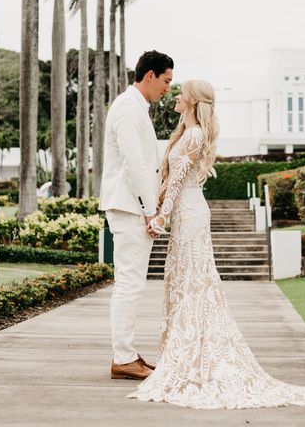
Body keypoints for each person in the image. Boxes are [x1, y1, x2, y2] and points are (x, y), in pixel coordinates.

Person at [128, 80, 305, 410]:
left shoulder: (194, 135)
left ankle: (192, 358)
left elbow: (175, 183)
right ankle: (188, 351)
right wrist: (158, 209)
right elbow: (170, 180)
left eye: (181, 92)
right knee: (187, 284)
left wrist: (161, 217)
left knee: (192, 285)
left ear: (192, 101)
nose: (176, 96)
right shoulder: (187, 133)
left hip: (189, 214)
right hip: (187, 214)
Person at [99, 50, 174, 381]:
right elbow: (135, 164)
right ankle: (124, 357)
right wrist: (150, 211)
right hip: (130, 207)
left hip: (132, 206)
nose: (168, 88)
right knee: (129, 283)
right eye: (167, 81)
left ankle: (126, 353)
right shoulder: (128, 108)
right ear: (150, 76)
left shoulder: (135, 108)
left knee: (131, 282)